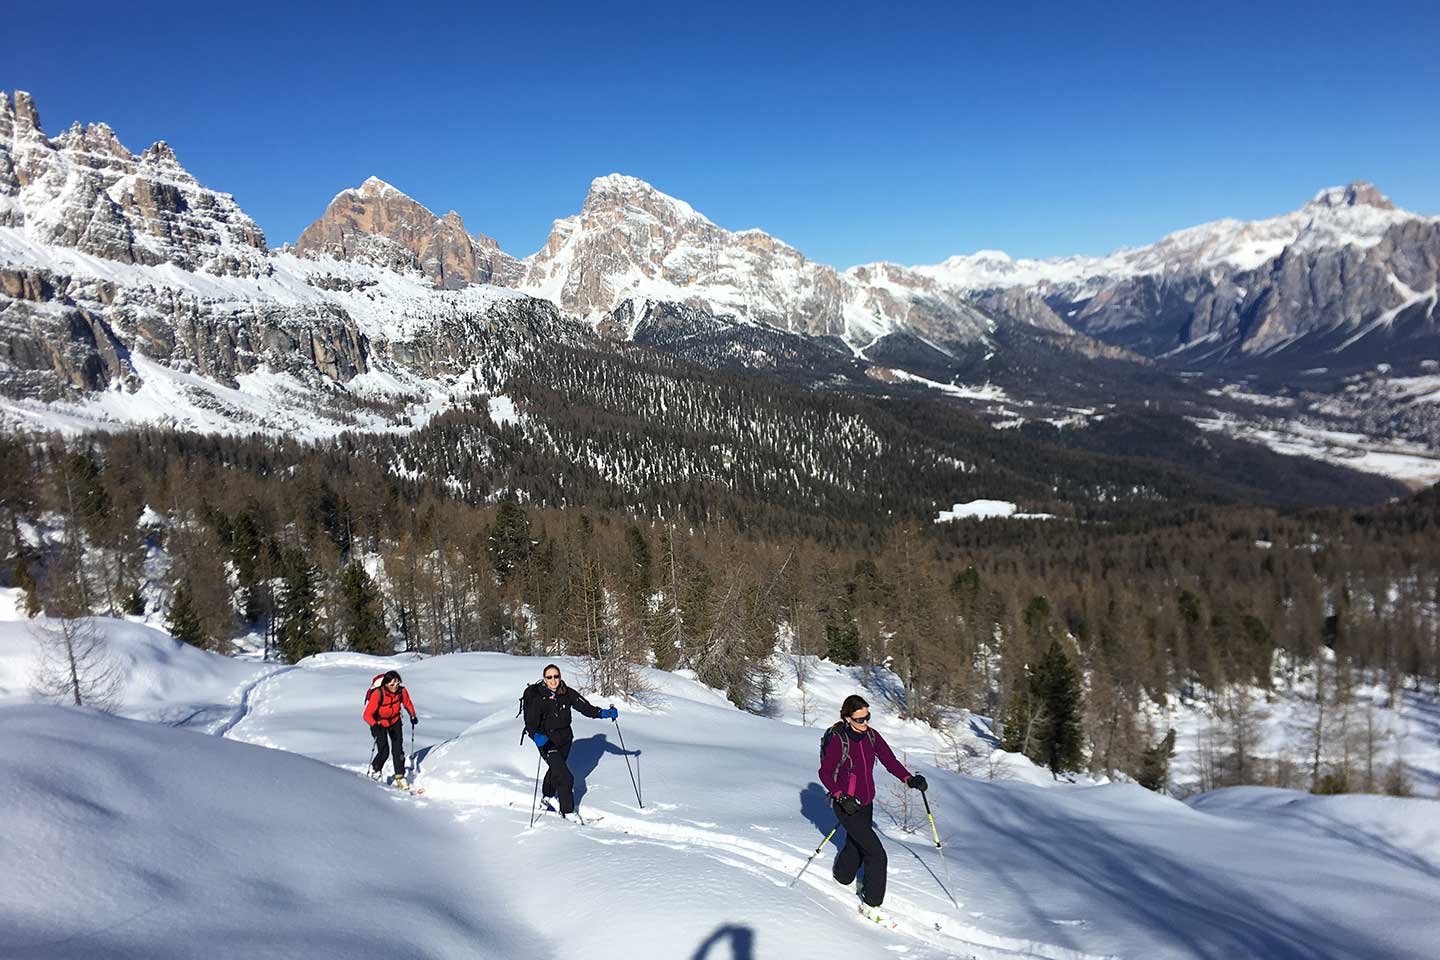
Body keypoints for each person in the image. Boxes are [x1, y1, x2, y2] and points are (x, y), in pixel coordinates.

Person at [818, 694, 928, 923]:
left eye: (868, 717)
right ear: (848, 718)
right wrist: (840, 795)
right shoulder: (839, 740)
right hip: (846, 804)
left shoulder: (871, 735)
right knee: (877, 854)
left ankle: (842, 875)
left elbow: (889, 760)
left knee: (857, 843)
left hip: (866, 801)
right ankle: (871, 904)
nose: (865, 722)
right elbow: (825, 773)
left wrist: (909, 779)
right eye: (860, 719)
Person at [522, 663, 617, 817]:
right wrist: (536, 736)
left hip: (565, 739)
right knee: (565, 777)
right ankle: (568, 811)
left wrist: (604, 713)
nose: (553, 680)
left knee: (556, 769)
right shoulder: (538, 697)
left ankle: (547, 797)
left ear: (560, 677)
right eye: (549, 677)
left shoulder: (566, 692)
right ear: (544, 679)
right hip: (547, 741)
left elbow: (586, 708)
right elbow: (530, 723)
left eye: (556, 676)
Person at [364, 670, 417, 787]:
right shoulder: (378, 694)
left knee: (398, 750)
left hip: (395, 721)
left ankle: (400, 776)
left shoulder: (401, 691)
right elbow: (367, 714)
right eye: (392, 684)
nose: (395, 687)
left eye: (397, 683)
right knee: (384, 751)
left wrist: (413, 715)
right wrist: (375, 724)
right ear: (385, 684)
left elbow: (407, 703)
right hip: (379, 723)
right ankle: (376, 769)